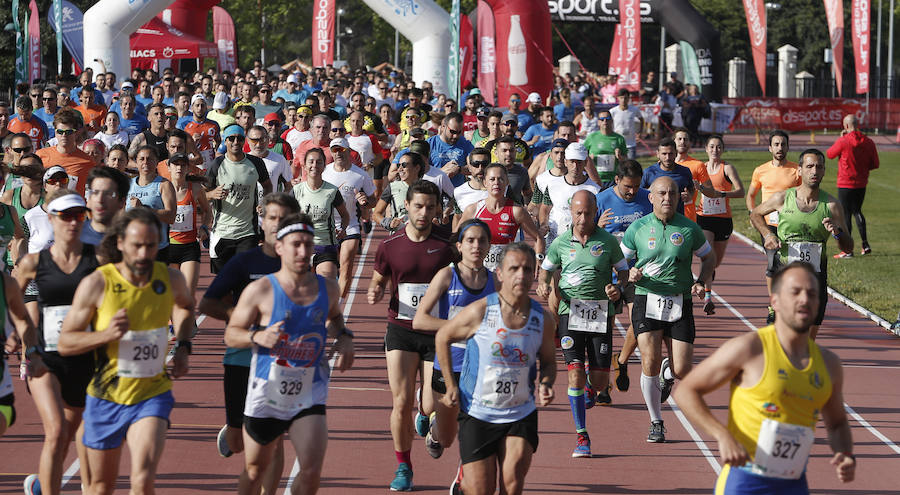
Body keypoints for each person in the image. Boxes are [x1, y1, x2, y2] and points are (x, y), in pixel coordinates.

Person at [674, 262, 856, 495]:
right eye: (795, 292)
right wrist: (722, 436)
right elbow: (686, 391)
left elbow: (838, 422)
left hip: (794, 484)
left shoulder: (829, 364)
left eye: (812, 293)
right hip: (745, 482)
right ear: (775, 301)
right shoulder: (750, 349)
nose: (804, 299)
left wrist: (845, 453)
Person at [57, 207, 195, 495]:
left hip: (151, 394)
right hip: (105, 397)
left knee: (143, 481)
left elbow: (184, 306)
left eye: (151, 246)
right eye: (137, 246)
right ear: (120, 243)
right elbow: (65, 342)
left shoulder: (170, 279)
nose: (144, 254)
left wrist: (183, 345)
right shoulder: (98, 283)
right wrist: (106, 335)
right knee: (100, 487)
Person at [224, 212, 354, 495]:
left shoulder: (328, 288)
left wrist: (344, 337)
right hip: (266, 394)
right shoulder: (260, 290)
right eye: (296, 244)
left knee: (310, 472)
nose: (303, 251)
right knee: (255, 471)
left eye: (308, 244)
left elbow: (334, 319)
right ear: (279, 246)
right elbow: (231, 333)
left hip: (309, 394)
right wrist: (257, 336)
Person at [435, 242, 556, 495]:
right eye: (513, 268)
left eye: (527, 269)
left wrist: (546, 383)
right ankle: (465, 482)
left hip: (520, 413)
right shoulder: (481, 312)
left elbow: (548, 361)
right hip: (479, 413)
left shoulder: (542, 319)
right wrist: (450, 384)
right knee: (481, 490)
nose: (521, 275)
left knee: (512, 484)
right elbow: (443, 337)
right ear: (499, 274)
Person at [199, 193, 299, 494]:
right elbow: (207, 303)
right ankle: (232, 433)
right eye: (272, 217)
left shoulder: (301, 264)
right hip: (242, 358)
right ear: (262, 221)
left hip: (281, 362)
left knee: (274, 439)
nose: (277, 224)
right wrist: (240, 318)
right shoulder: (245, 262)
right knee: (239, 440)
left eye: (284, 219)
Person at [367, 180, 454, 491]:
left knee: (431, 405)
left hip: (435, 333)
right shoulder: (390, 245)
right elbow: (378, 278)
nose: (424, 212)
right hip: (401, 330)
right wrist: (375, 289)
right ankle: (403, 466)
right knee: (400, 402)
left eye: (431, 207)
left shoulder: (446, 246)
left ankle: (425, 408)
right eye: (418, 206)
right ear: (406, 205)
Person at [620, 176, 716, 442]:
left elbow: (709, 257)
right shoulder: (637, 228)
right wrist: (630, 272)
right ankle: (656, 420)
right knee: (648, 359)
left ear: (679, 197)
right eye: (661, 193)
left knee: (683, 369)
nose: (667, 198)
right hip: (646, 298)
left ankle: (668, 373)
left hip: (679, 301)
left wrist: (700, 281)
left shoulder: (689, 229)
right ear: (650, 197)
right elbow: (619, 262)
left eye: (672, 194)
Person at [16, 192, 99, 495]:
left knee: (70, 435)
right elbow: (11, 296)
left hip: (85, 359)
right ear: (51, 220)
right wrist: (18, 331)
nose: (73, 222)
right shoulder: (33, 263)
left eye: (79, 215)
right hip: (44, 358)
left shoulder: (97, 259)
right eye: (65, 216)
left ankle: (40, 483)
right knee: (56, 431)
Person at [538, 190, 628, 457]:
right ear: (571, 211)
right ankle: (581, 436)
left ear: (595, 212)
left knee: (599, 383)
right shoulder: (561, 243)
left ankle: (592, 384)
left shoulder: (608, 241)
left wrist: (618, 287)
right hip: (570, 312)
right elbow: (548, 268)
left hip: (600, 313)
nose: (582, 218)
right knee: (574, 373)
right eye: (578, 212)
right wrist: (543, 285)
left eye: (588, 213)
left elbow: (622, 270)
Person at [412, 219, 495, 474]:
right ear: (459, 245)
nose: (476, 246)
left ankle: (464, 477)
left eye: (482, 240)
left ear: (489, 246)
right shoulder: (447, 275)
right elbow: (420, 319)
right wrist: (456, 327)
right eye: (470, 240)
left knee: (475, 430)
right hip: (448, 366)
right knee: (447, 438)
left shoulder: (495, 281)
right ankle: (434, 430)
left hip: (481, 369)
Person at [750, 149, 852, 341]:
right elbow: (755, 214)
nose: (814, 171)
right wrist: (767, 235)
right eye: (810, 166)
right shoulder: (783, 198)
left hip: (815, 278)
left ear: (824, 171)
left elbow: (848, 248)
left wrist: (837, 232)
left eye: (819, 167)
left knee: (807, 341)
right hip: (786, 276)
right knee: (784, 336)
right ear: (799, 170)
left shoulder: (831, 205)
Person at [596, 160, 653, 394]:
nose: (632, 192)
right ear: (617, 180)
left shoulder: (648, 199)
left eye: (637, 187)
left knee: (641, 323)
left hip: (635, 272)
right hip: (606, 274)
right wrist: (596, 224)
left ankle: (621, 360)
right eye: (628, 186)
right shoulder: (601, 200)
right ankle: (603, 386)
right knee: (603, 332)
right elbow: (583, 233)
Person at [745, 130, 800, 323]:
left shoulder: (796, 171)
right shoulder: (761, 170)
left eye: (783, 144)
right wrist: (753, 215)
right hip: (769, 226)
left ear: (788, 147)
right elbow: (751, 195)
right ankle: (774, 306)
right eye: (776, 144)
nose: (780, 148)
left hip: (791, 225)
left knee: (789, 265)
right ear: (770, 148)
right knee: (773, 263)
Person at [205, 125, 272, 273]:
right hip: (222, 232)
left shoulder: (256, 163)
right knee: (223, 286)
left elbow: (268, 186)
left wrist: (264, 203)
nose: (236, 142)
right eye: (231, 138)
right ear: (225, 141)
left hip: (247, 233)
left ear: (244, 141)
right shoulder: (217, 164)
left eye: (240, 138)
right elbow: (202, 194)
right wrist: (211, 194)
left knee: (244, 280)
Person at [459, 164, 545, 271]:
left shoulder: (516, 211)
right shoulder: (472, 210)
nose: (496, 182)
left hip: (506, 272)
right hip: (478, 272)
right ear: (485, 183)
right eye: (492, 179)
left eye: (500, 179)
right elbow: (456, 238)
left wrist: (538, 258)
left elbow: (538, 237)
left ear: (507, 182)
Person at [694, 135, 745, 315]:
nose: (715, 150)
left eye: (718, 147)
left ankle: (709, 278)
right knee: (707, 255)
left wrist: (722, 195)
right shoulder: (700, 168)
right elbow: (693, 189)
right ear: (706, 149)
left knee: (715, 262)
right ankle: (708, 296)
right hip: (704, 217)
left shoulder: (727, 168)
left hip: (723, 219)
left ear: (722, 150)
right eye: (712, 147)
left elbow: (741, 192)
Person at [323, 137, 375, 300]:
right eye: (334, 150)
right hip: (326, 227)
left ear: (348, 151)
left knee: (345, 265)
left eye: (341, 150)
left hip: (350, 226)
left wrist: (365, 201)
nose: (338, 153)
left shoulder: (360, 175)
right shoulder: (324, 171)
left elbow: (373, 201)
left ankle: (336, 306)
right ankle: (328, 301)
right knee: (327, 270)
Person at [826, 114, 879, 257]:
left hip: (845, 182)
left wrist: (840, 138)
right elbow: (875, 164)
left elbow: (830, 154)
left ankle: (847, 250)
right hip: (861, 182)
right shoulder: (868, 141)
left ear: (846, 126)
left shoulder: (844, 141)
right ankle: (865, 244)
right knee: (857, 211)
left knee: (845, 215)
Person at [293, 148, 350, 280]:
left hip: (325, 246)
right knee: (300, 289)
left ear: (324, 166)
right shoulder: (296, 191)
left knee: (326, 283)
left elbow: (345, 215)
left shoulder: (332, 191)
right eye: (311, 162)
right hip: (302, 247)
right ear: (304, 166)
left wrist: (343, 229)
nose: (314, 166)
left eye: (319, 162)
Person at [166, 152, 211, 297]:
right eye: (176, 164)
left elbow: (207, 211)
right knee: (171, 296)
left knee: (187, 295)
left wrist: (204, 227)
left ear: (188, 168)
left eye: (183, 165)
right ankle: (174, 321)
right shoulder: (161, 189)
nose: (179, 168)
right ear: (169, 167)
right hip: (167, 247)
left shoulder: (196, 189)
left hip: (189, 247)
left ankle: (189, 320)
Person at [540, 143, 601, 245]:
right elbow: (545, 208)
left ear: (586, 162)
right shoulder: (551, 185)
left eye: (579, 162)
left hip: (581, 244)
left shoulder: (595, 190)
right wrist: (543, 224)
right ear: (565, 161)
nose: (575, 166)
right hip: (555, 242)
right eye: (572, 161)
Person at [0, 264, 34, 439]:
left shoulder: (7, 284)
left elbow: (22, 320)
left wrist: (15, 334)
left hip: (1, 385)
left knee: (6, 413)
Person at [641, 138, 714, 216]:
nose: (667, 158)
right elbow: (639, 194)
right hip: (655, 219)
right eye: (664, 154)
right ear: (658, 154)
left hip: (677, 219)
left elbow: (691, 190)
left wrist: (689, 196)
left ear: (676, 153)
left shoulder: (685, 172)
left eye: (670, 154)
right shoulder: (649, 172)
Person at [128, 146, 177, 262]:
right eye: (142, 159)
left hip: (157, 248)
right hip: (131, 247)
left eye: (149, 159)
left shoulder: (164, 185)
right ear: (136, 162)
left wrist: (143, 210)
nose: (145, 162)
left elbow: (171, 216)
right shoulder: (128, 185)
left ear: (156, 162)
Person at [35, 111, 95, 195]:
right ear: (55, 133)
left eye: (68, 132)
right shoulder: (40, 155)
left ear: (76, 133)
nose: (64, 135)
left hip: (75, 206)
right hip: (49, 206)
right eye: (60, 131)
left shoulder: (87, 161)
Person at [374, 151, 426, 234]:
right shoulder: (392, 187)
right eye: (398, 165)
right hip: (399, 237)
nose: (399, 169)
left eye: (404, 165)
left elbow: (438, 212)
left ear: (417, 168)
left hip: (421, 237)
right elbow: (376, 214)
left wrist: (435, 219)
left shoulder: (428, 188)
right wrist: (389, 223)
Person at [80, 166, 130, 247]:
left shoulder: (130, 240)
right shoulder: (75, 235)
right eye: (95, 192)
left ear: (122, 201)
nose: (100, 200)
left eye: (108, 194)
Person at [583, 109, 627, 185]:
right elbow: (582, 157)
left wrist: (620, 157)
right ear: (598, 122)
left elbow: (626, 160)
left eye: (607, 119)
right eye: (602, 119)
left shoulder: (619, 139)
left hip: (613, 180)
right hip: (595, 179)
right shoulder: (591, 137)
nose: (605, 121)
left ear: (611, 121)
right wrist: (589, 160)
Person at [180, 94, 221, 169]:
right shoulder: (184, 125)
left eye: (202, 105)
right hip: (192, 162)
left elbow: (219, 143)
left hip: (210, 164)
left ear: (206, 107)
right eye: (197, 105)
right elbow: (180, 148)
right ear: (192, 107)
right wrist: (191, 142)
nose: (200, 108)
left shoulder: (214, 125)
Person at [609, 89, 643, 159]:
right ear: (618, 98)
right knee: (618, 167)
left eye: (625, 98)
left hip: (630, 144)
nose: (623, 100)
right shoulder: (613, 111)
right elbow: (607, 124)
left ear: (628, 99)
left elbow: (641, 120)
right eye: (621, 98)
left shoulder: (634, 109)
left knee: (631, 165)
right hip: (617, 144)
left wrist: (640, 132)